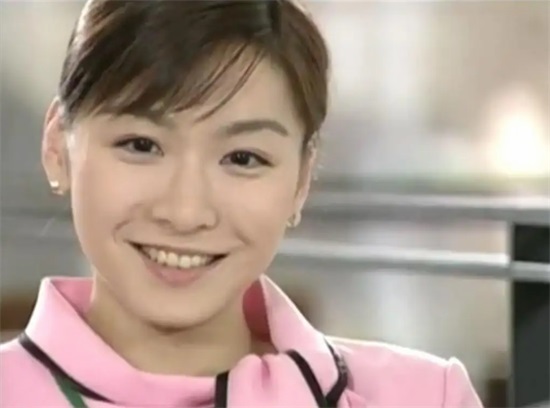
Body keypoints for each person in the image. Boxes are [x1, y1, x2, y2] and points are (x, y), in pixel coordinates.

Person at [0, 1, 483, 407]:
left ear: (301, 180)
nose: (186, 212)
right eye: (141, 146)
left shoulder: (426, 396)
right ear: (57, 147)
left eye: (242, 158)